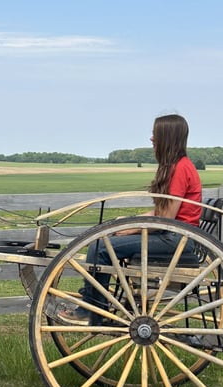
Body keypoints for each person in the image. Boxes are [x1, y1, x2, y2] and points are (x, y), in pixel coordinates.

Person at [58, 113, 202, 326]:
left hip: (175, 239)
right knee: (106, 239)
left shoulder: (180, 168)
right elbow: (162, 212)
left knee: (100, 247)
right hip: (174, 235)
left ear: (167, 137)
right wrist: (128, 220)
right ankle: (97, 303)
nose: (152, 139)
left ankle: (93, 310)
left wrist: (133, 229)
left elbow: (167, 218)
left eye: (156, 134)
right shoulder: (178, 166)